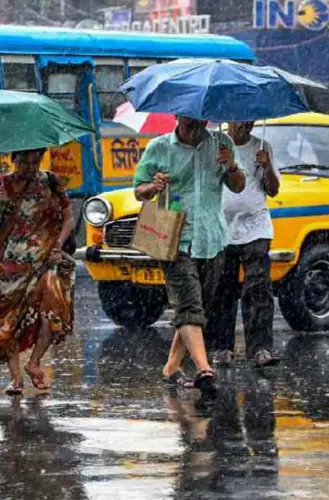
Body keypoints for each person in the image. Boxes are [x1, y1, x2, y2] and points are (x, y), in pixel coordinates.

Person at [134, 116, 245, 401]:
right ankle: (204, 370)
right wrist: (153, 187)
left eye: (198, 117)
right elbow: (139, 190)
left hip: (212, 238)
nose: (193, 123)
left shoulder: (222, 143)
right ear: (176, 116)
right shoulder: (159, 148)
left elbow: (238, 186)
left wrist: (230, 164)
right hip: (176, 240)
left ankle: (171, 366)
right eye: (187, 117)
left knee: (196, 309)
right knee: (189, 304)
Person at [0, 148, 76, 395]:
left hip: (46, 261)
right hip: (6, 267)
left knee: (52, 313)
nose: (30, 166)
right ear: (13, 159)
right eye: (24, 161)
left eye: (35, 160)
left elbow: (68, 217)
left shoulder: (52, 181)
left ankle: (34, 362)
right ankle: (15, 378)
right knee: (8, 322)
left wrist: (58, 245)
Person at [208, 121, 280, 367]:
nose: (245, 125)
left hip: (256, 227)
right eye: (240, 120)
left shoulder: (263, 146)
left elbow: (273, 190)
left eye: (249, 120)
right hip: (222, 228)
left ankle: (260, 348)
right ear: (229, 120)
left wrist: (267, 167)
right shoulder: (214, 145)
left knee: (257, 288)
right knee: (222, 289)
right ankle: (222, 347)